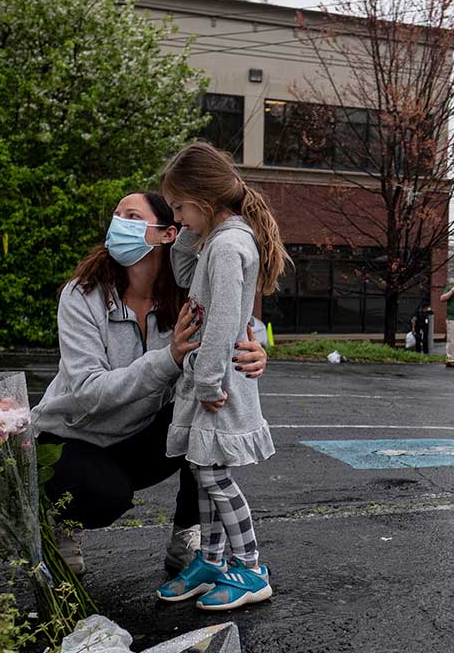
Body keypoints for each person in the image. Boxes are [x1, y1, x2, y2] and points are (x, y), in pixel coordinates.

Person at [32, 192, 268, 577]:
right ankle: (63, 522)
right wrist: (169, 358)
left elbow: (227, 337)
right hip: (72, 437)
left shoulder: (185, 299)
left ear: (167, 234)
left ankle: (186, 537)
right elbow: (88, 392)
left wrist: (253, 356)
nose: (118, 222)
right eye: (116, 214)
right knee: (106, 496)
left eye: (131, 215)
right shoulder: (82, 295)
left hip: (137, 437)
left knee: (208, 419)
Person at [154, 142, 287, 611]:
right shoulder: (217, 240)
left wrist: (209, 381)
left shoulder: (230, 246)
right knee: (202, 468)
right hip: (210, 380)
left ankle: (250, 568)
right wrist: (195, 227)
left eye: (180, 207)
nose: (177, 217)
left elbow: (228, 320)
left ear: (204, 200)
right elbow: (184, 266)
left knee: (213, 475)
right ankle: (212, 559)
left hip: (219, 382)